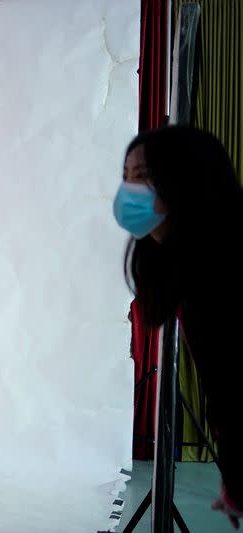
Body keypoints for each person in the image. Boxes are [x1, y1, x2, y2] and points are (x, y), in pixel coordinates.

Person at [113, 124, 243, 528]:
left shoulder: (222, 275)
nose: (129, 192)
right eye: (126, 177)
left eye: (142, 177)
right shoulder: (193, 269)